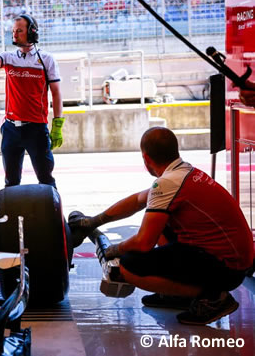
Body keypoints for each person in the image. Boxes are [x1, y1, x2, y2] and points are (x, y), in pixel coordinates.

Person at [69, 127, 254, 325]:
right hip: (234, 260)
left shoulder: (167, 183)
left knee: (129, 267)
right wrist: (93, 222)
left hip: (228, 269)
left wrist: (115, 249)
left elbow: (143, 243)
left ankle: (214, 298)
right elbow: (137, 200)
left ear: (146, 158)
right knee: (159, 222)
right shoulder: (182, 172)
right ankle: (182, 295)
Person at [0, 15, 64, 187]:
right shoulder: (9, 57)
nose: (15, 34)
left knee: (46, 179)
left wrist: (57, 125)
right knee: (11, 182)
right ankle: (11, 214)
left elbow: (56, 93)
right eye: (13, 31)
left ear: (32, 32)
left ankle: (54, 213)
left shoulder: (46, 59)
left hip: (36, 128)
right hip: (11, 129)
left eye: (19, 30)